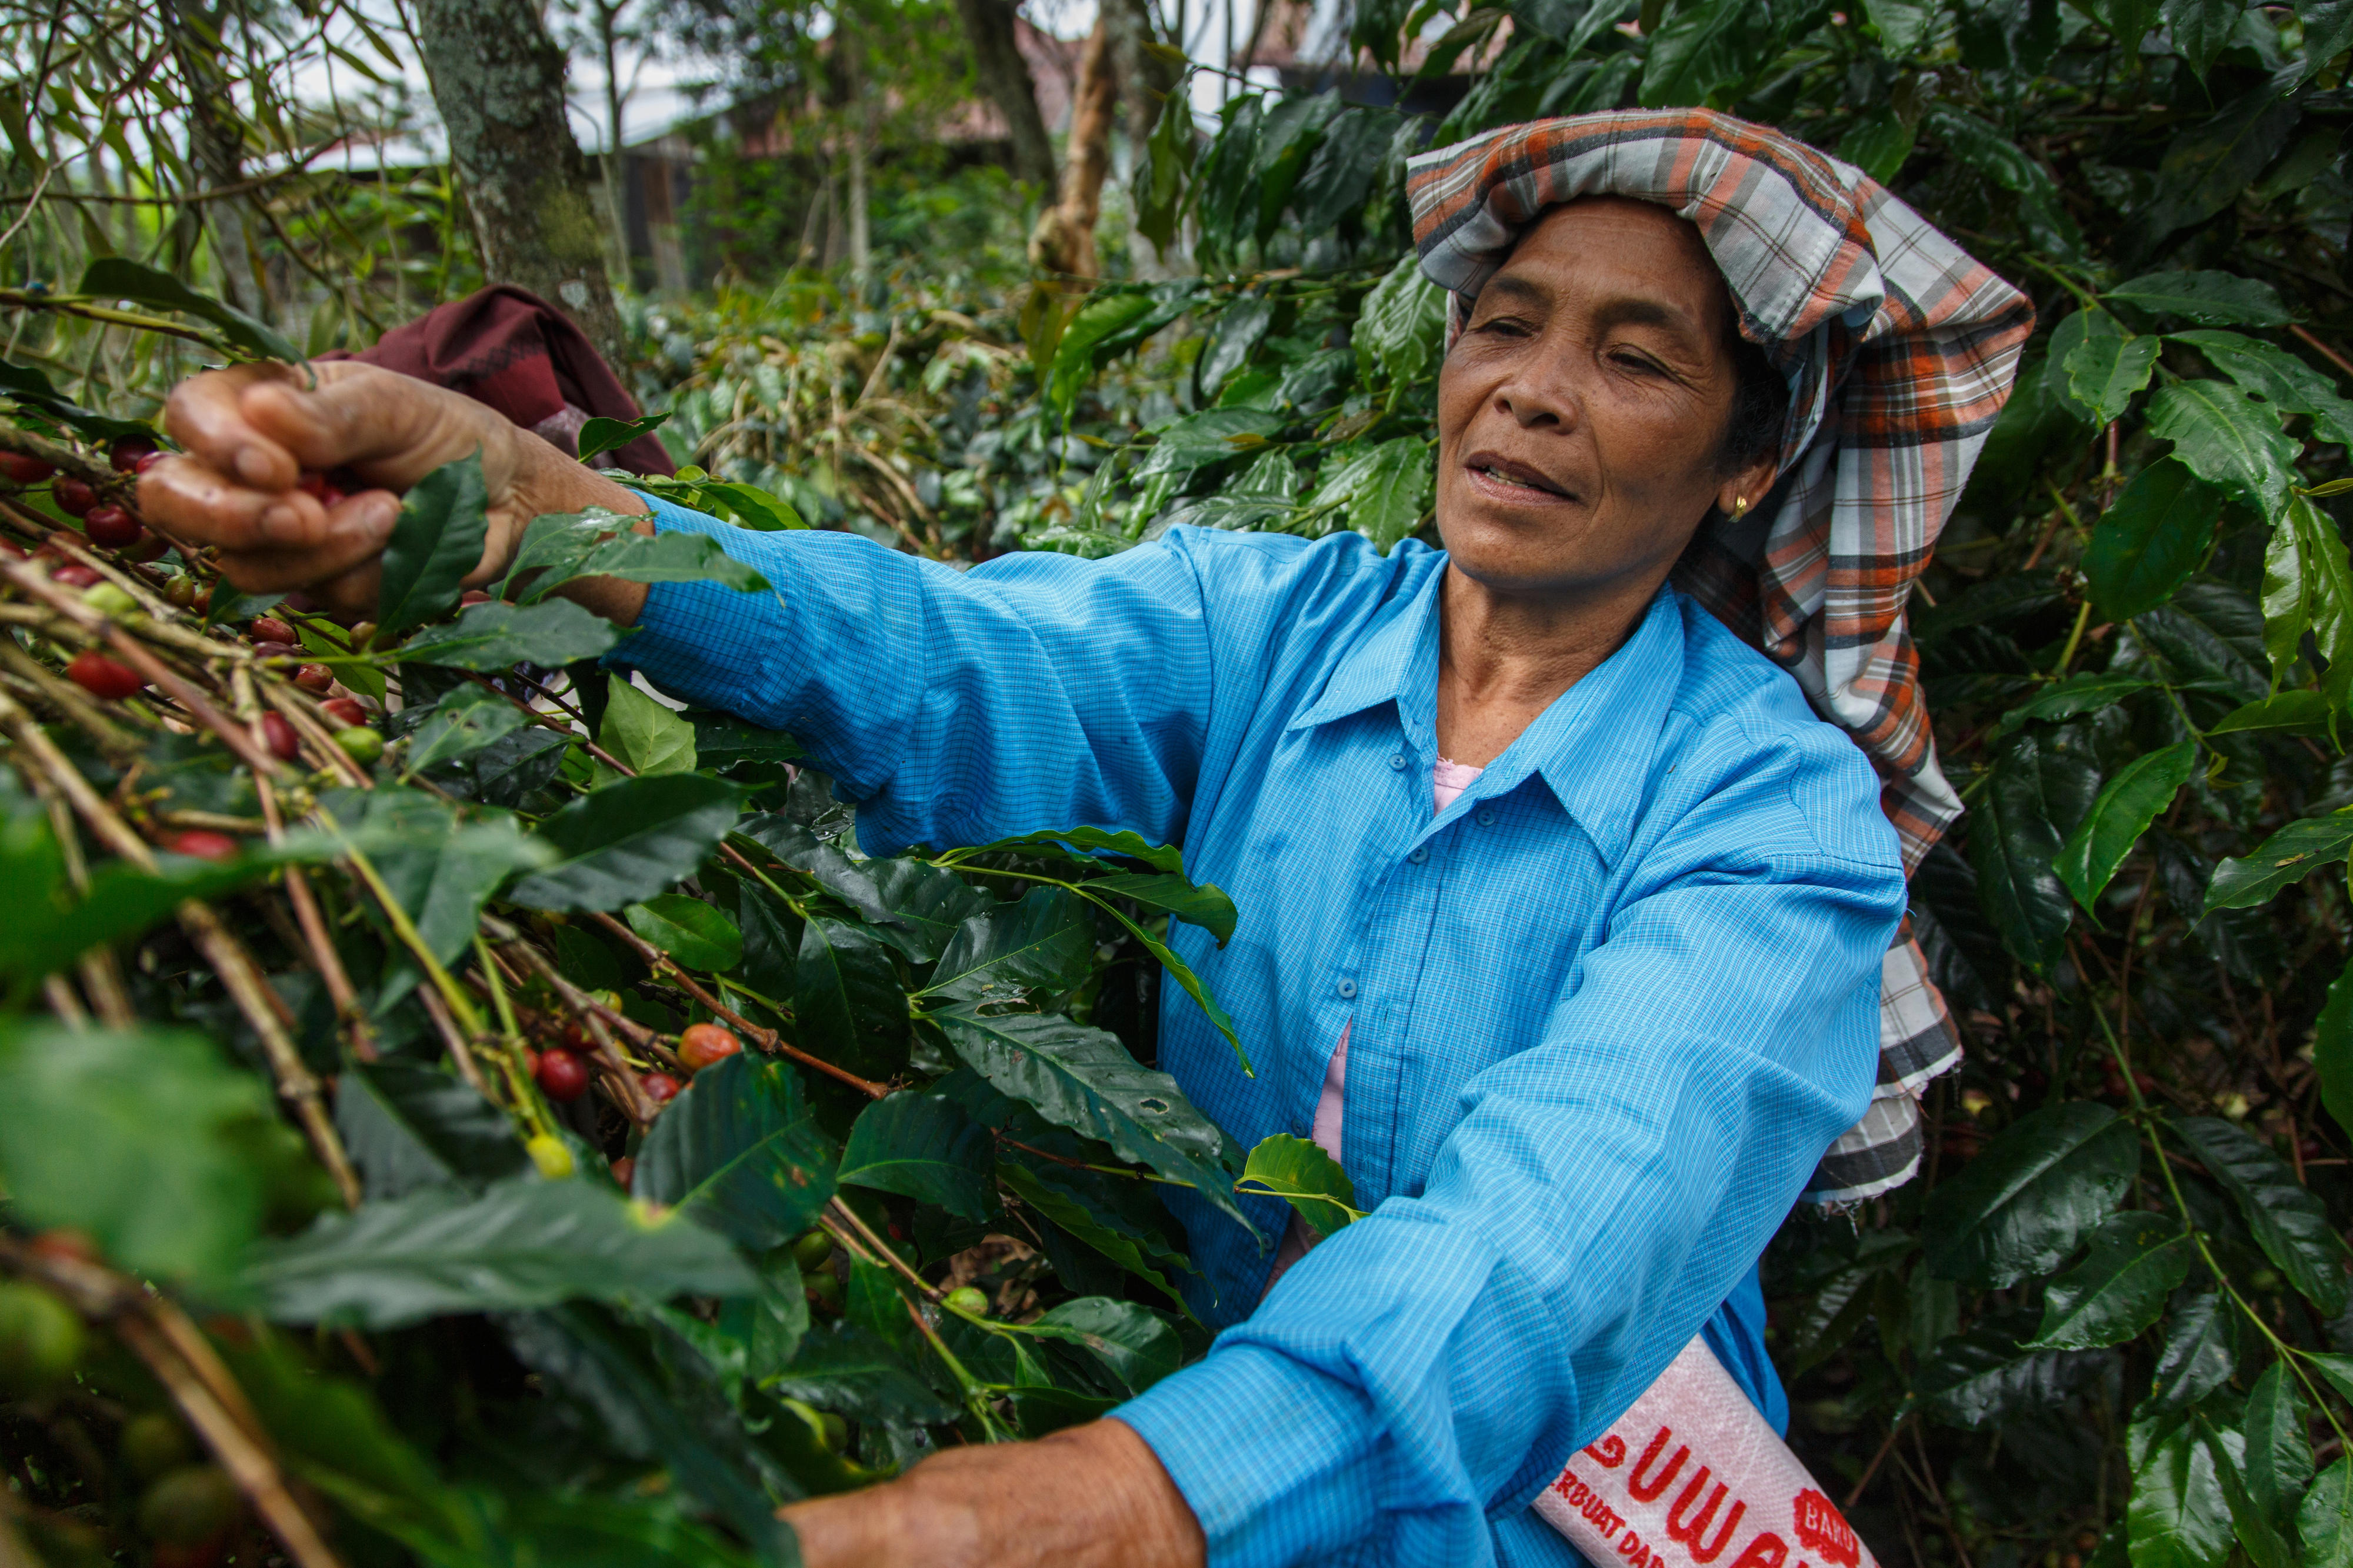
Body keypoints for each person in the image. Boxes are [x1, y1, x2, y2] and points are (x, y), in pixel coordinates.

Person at [141, 109, 2028, 1568]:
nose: (1533, 388)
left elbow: (1555, 1228)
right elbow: (938, 655)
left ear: (1749, 457)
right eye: (1508, 325)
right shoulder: (1286, 637)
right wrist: (540, 510)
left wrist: (1121, 1495)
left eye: (1635, 358)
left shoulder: (1770, 818)